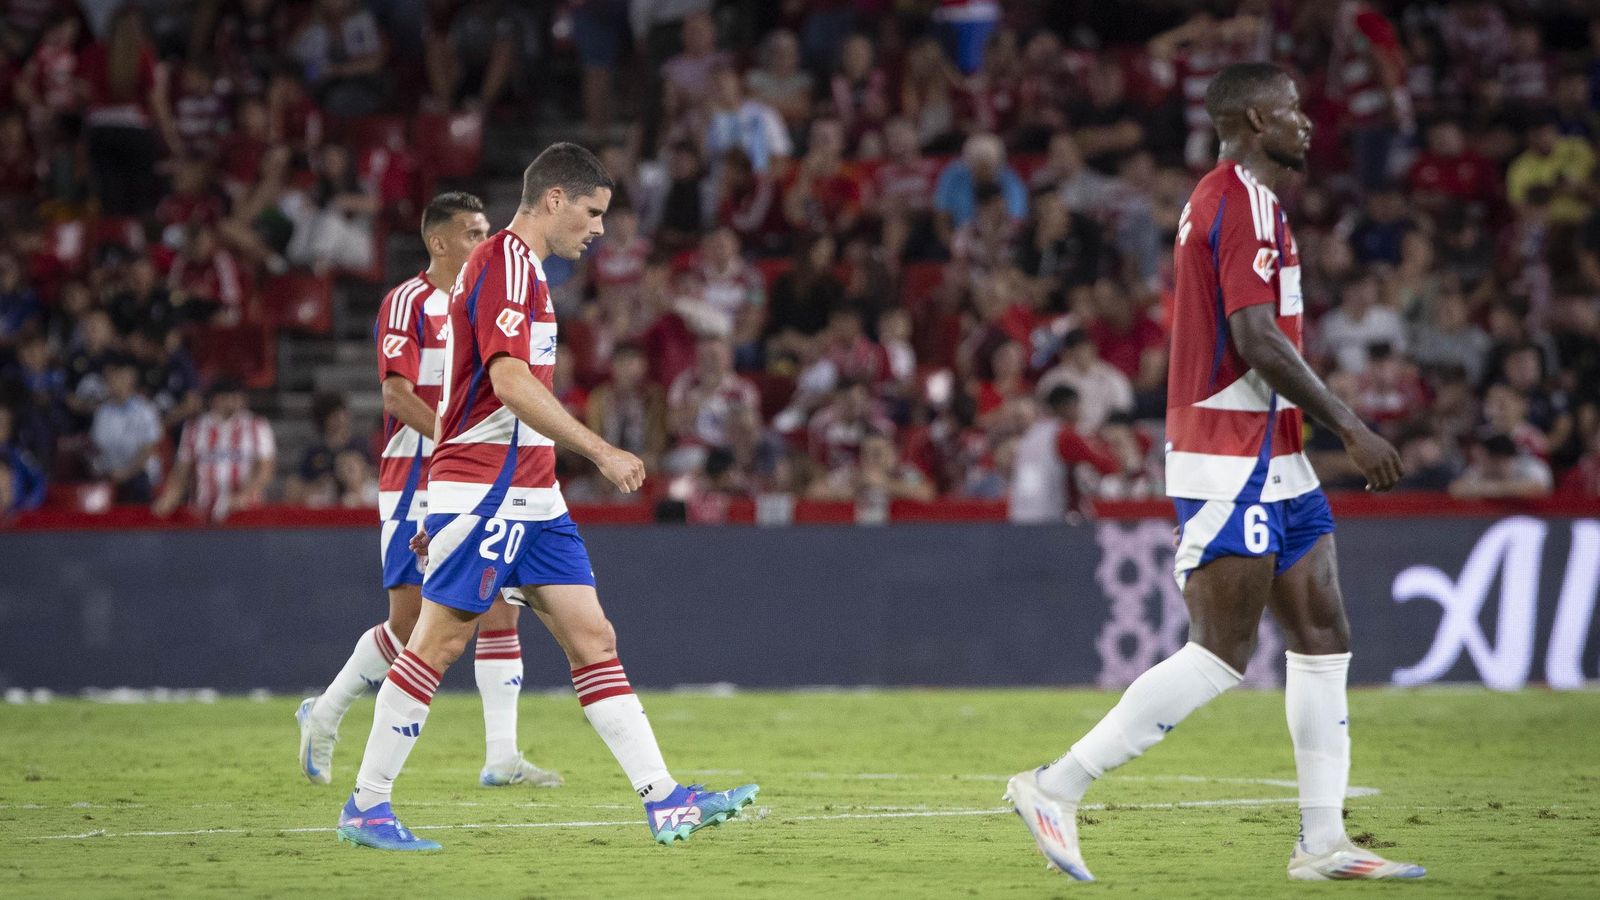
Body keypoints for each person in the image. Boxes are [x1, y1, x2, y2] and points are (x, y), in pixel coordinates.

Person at [1005, 63, 1423, 883]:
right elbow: (1257, 336)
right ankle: (1056, 785)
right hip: (1231, 454)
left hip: (1274, 452)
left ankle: (1322, 842)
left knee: (1323, 632)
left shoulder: (1228, 197)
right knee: (1221, 652)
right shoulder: (1244, 204)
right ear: (1259, 118)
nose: (1308, 123)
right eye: (1296, 110)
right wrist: (1351, 425)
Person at [335, 144, 757, 851]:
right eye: (592, 213)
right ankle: (367, 805)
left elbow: (465, 391)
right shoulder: (502, 261)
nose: (598, 229)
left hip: (528, 493)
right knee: (437, 643)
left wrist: (442, 492)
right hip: (493, 490)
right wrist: (600, 449)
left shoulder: (524, 269)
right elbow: (507, 382)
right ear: (554, 199)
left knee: (594, 638)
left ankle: (667, 800)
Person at [296, 192, 558, 791]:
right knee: (415, 623)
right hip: (416, 477)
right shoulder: (407, 302)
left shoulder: (486, 296)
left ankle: (501, 756)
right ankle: (327, 710)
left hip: (473, 477)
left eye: (487, 230)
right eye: (472, 232)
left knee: (497, 607)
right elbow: (395, 395)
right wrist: (455, 439)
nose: (484, 241)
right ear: (438, 242)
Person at [153, 377, 276, 522]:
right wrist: (170, 496)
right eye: (229, 396)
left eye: (238, 396)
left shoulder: (257, 426)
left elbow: (265, 469)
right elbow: (181, 471)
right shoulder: (194, 429)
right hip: (203, 513)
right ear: (215, 399)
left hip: (245, 512)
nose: (236, 401)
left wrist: (242, 496)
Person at [89, 356, 161, 504]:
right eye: (111, 379)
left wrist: (126, 474)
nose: (115, 382)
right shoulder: (102, 412)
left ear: (130, 380)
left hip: (139, 473)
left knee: (138, 485)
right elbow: (95, 447)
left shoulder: (145, 410)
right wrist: (104, 470)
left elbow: (147, 450)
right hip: (110, 473)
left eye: (119, 378)